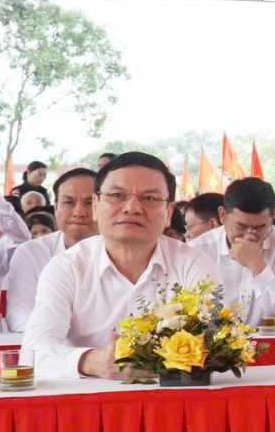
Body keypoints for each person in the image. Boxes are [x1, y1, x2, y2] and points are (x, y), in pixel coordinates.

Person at [23, 153, 247, 379]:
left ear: (168, 213)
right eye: (117, 195)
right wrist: (92, 362)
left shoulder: (192, 262)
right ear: (96, 206)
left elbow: (217, 340)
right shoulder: (67, 267)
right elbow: (33, 353)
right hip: (89, 404)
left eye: (149, 198)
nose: (132, 208)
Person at [190, 177, 275, 320]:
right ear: (223, 215)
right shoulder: (199, 250)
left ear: (273, 217)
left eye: (260, 227)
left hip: (268, 339)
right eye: (241, 226)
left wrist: (257, 266)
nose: (250, 235)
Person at [2, 166, 98, 333]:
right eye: (69, 202)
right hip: (46, 350)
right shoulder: (31, 252)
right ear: (55, 208)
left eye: (89, 203)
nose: (79, 212)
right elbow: (19, 315)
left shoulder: (126, 252)